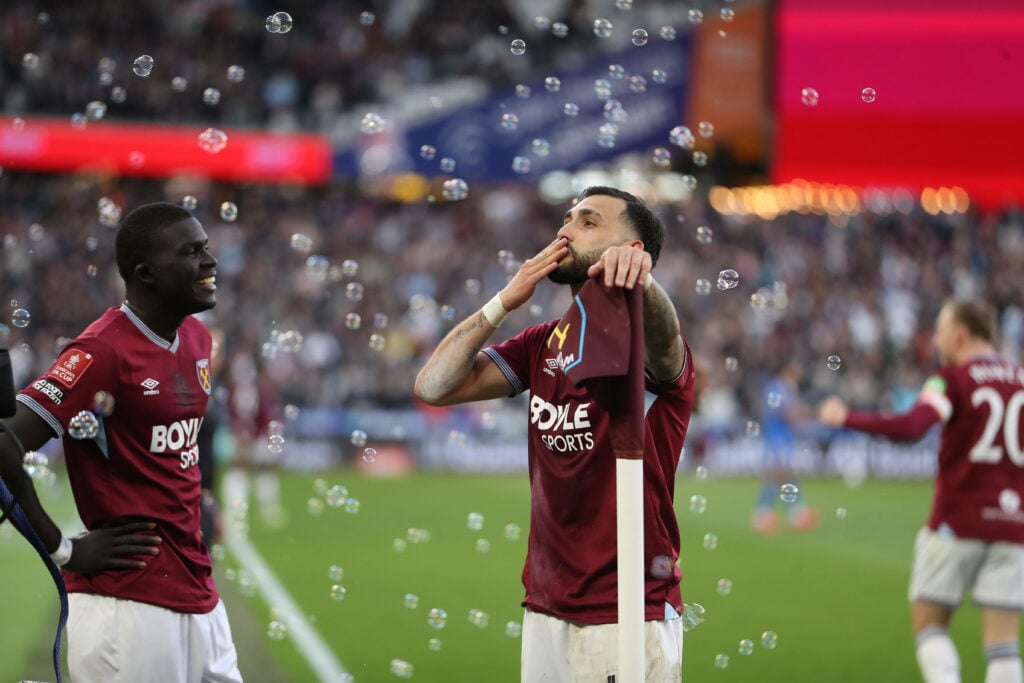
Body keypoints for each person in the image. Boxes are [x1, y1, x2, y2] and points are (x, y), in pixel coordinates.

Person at [414, 186, 695, 681]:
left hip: (626, 614)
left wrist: (644, 285)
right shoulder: (541, 343)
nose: (565, 230)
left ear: (633, 251)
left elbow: (666, 343)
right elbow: (433, 387)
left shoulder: (645, 349)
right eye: (567, 219)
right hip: (545, 608)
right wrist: (504, 301)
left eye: (589, 222)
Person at [0, 202, 242, 682]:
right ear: (146, 273)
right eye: (192, 252)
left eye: (207, 249)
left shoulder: (196, 337)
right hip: (127, 606)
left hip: (199, 594)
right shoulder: (101, 351)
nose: (210, 262)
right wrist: (62, 550)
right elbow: (5, 438)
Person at [819, 298, 1024, 683]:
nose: (936, 339)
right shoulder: (1020, 379)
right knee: (1004, 645)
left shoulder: (952, 379)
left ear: (960, 336)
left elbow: (912, 427)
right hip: (1013, 526)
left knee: (930, 625)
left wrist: (847, 417)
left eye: (941, 331)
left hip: (956, 522)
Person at [752, 358, 818, 534]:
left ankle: (780, 513)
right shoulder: (783, 387)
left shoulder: (776, 387)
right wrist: (811, 413)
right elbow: (789, 414)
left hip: (778, 437)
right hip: (779, 437)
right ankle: (780, 514)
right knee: (779, 474)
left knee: (781, 475)